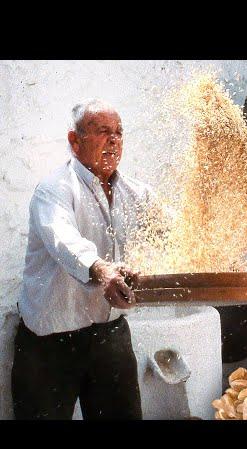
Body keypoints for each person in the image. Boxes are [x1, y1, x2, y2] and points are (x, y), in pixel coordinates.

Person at [12, 99, 153, 419]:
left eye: (118, 132)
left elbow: (171, 227)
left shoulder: (135, 193)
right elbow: (65, 241)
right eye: (102, 132)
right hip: (50, 343)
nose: (113, 140)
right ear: (75, 142)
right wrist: (103, 270)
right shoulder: (54, 190)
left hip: (109, 335)